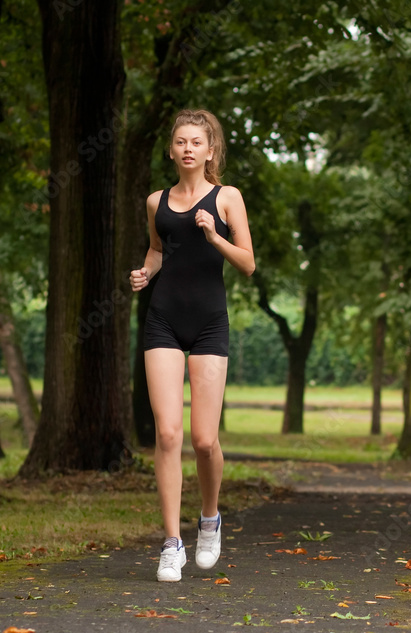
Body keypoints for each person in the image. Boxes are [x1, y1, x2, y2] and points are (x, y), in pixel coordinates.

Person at [129, 109, 255, 582]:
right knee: (167, 435)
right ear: (171, 149)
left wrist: (212, 233)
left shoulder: (227, 198)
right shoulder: (155, 201)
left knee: (204, 440)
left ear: (210, 150)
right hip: (162, 319)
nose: (187, 149)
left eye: (196, 142)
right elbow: (159, 251)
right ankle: (170, 542)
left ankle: (209, 519)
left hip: (208, 324)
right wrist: (146, 272)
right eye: (180, 141)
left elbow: (248, 263)